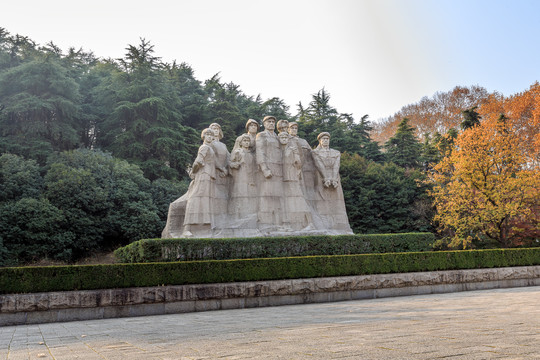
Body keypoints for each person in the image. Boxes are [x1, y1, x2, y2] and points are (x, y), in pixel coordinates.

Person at [312, 132, 352, 233]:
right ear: (320, 141)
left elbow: (336, 166)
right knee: (321, 202)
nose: (325, 140)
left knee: (337, 203)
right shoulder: (315, 152)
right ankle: (324, 226)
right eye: (323, 139)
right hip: (321, 178)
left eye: (327, 139)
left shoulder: (336, 152)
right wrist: (326, 178)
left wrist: (334, 179)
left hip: (335, 179)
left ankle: (341, 227)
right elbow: (318, 164)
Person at [183, 128, 217, 237]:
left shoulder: (210, 148)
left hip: (209, 175)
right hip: (203, 175)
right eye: (207, 134)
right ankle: (187, 228)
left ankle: (204, 227)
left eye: (211, 135)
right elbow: (198, 161)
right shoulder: (204, 147)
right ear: (203, 136)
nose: (209, 136)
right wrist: (193, 172)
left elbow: (214, 163)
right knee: (195, 198)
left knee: (205, 199)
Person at [278, 132, 313, 230]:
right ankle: (287, 224)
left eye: (285, 137)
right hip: (283, 177)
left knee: (300, 199)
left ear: (288, 139)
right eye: (282, 137)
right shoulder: (280, 150)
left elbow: (298, 163)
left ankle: (310, 223)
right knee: (285, 201)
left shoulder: (293, 149)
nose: (284, 139)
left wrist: (296, 172)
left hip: (292, 176)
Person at [255, 116, 284, 230]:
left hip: (278, 169)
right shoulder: (261, 135)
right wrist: (264, 168)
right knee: (266, 196)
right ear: (264, 124)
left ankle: (277, 223)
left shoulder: (278, 137)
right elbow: (260, 152)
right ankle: (265, 223)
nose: (271, 124)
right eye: (269, 122)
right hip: (267, 169)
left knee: (277, 197)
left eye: (273, 122)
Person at [228, 134, 257, 223]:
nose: (246, 142)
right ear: (240, 142)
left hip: (250, 176)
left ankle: (247, 214)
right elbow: (230, 163)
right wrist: (234, 165)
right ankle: (237, 216)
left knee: (249, 195)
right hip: (240, 176)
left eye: (248, 141)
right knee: (239, 195)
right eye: (244, 141)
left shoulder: (251, 154)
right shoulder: (237, 152)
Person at [209, 122, 230, 227]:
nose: (215, 130)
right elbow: (212, 158)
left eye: (217, 128)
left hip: (223, 174)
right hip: (214, 173)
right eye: (213, 128)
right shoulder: (209, 144)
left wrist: (226, 168)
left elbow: (228, 158)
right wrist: (221, 168)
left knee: (223, 197)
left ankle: (223, 220)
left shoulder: (223, 145)